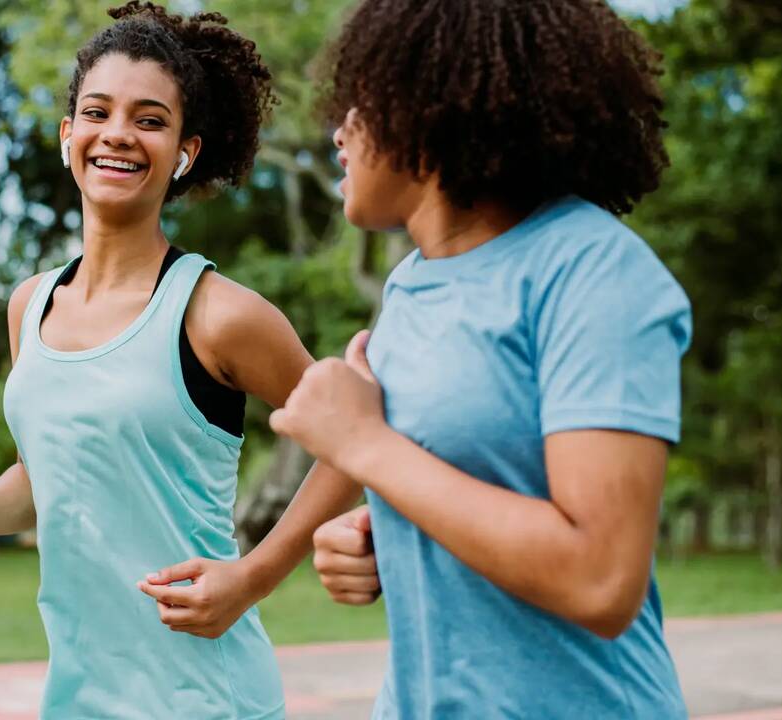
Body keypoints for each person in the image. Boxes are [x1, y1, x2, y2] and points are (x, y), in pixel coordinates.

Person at [0, 3, 360, 718]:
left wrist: (254, 576)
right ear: (69, 136)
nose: (118, 133)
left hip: (206, 698)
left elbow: (357, 441)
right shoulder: (30, 306)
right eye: (97, 111)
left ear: (185, 152)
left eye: (150, 120)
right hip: (79, 696)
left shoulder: (218, 314)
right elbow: (55, 468)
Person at [270, 0, 692, 717]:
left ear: (428, 104)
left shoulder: (596, 270)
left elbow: (599, 580)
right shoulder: (409, 284)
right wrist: (381, 541)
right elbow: (458, 478)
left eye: (362, 101)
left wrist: (368, 449)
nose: (338, 129)